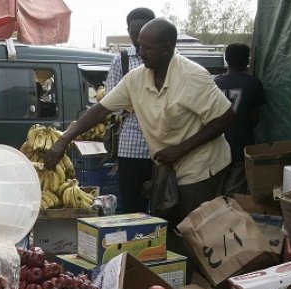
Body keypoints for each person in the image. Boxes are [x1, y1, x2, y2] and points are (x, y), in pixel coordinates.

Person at [45, 18, 235, 261]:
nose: (139, 51)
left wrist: (181, 149)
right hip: (167, 166)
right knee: (165, 228)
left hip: (201, 167)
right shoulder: (136, 78)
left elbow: (227, 116)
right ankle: (172, 278)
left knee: (195, 232)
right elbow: (100, 110)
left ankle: (199, 285)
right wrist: (65, 139)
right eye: (139, 45)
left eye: (147, 47)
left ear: (167, 48)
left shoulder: (193, 77)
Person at [107, 8, 156, 214]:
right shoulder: (123, 60)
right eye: (133, 32)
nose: (137, 38)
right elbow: (111, 102)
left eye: (143, 32)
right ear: (128, 31)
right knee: (132, 207)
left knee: (164, 204)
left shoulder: (168, 57)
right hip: (132, 145)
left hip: (164, 148)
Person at [215, 43, 266, 195]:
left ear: (226, 59)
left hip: (217, 144)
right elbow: (254, 119)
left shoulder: (216, 82)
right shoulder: (253, 83)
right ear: (246, 61)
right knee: (235, 192)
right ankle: (231, 217)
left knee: (218, 188)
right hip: (241, 143)